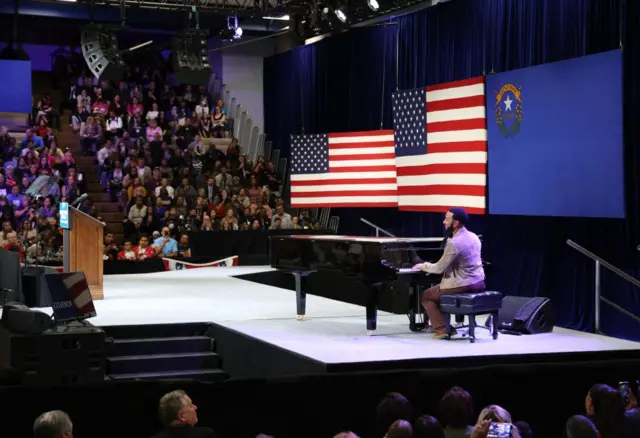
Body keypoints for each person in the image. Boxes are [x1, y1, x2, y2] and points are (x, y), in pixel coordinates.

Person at [413, 207, 485, 339]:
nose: (444, 222)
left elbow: (439, 268)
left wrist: (423, 266)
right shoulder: (474, 236)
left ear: (455, 223)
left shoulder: (455, 243)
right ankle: (441, 322)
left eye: (447, 219)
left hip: (463, 284)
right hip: (479, 282)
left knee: (427, 296)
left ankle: (443, 328)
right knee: (437, 292)